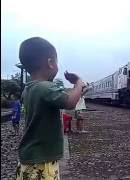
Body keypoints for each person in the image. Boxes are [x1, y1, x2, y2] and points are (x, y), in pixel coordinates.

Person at [15, 37, 87, 180]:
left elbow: (63, 98)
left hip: (30, 159)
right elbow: (70, 102)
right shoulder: (46, 88)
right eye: (57, 61)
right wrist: (79, 82)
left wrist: (76, 90)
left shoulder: (29, 89)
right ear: (50, 63)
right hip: (42, 163)